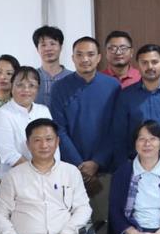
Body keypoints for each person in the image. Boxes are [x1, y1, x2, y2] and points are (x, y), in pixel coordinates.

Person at [51, 37, 122, 201]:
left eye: (90, 54)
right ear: (72, 58)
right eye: (79, 54)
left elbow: (117, 128)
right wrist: (79, 164)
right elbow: (58, 128)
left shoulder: (113, 86)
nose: (85, 59)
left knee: (103, 214)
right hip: (70, 169)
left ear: (99, 57)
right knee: (69, 214)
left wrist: (97, 161)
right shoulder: (59, 88)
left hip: (105, 167)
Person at [0, 66, 54, 177]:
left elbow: (53, 146)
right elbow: (9, 154)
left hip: (48, 176)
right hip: (15, 178)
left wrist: (52, 171)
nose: (26, 90)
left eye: (31, 85)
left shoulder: (43, 111)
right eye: (20, 85)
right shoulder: (2, 114)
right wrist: (38, 173)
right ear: (12, 86)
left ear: (38, 89)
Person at [33, 25, 74, 107]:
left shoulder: (72, 78)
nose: (48, 49)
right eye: (43, 45)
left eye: (52, 44)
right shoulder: (31, 77)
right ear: (37, 49)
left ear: (61, 47)